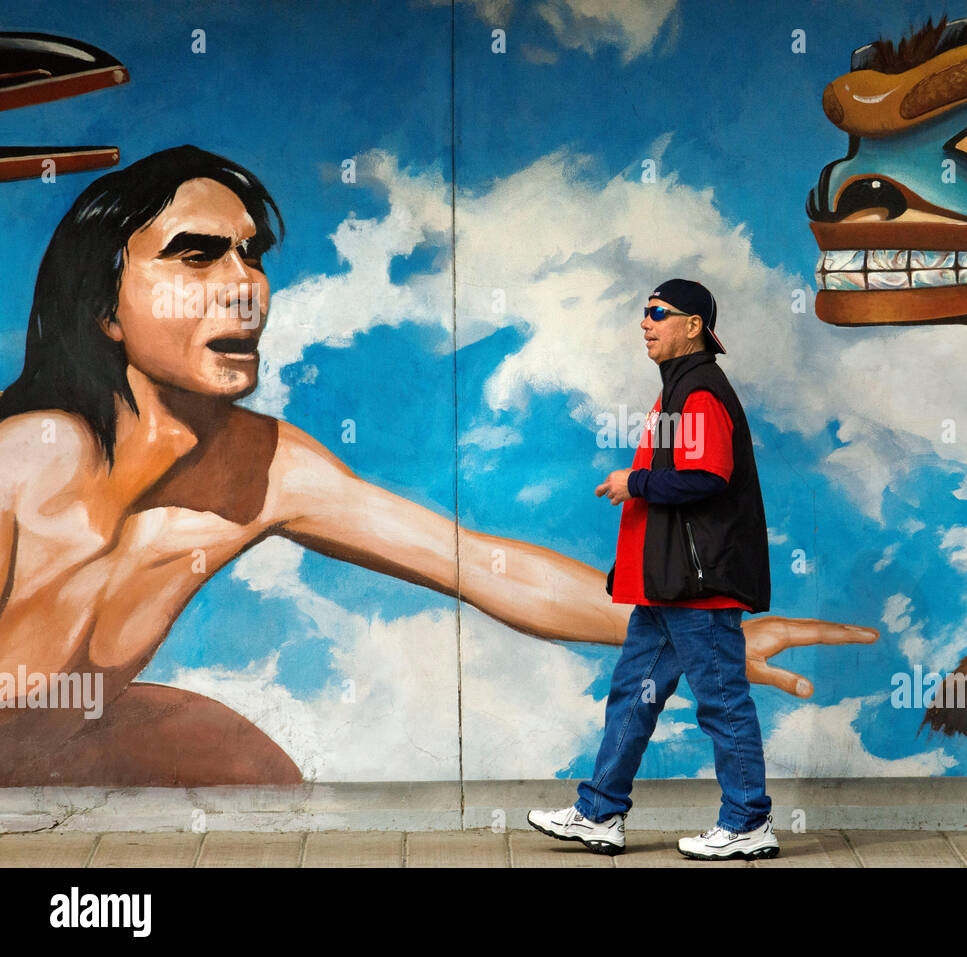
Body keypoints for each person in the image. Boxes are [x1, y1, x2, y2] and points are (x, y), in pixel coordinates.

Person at [0, 147, 877, 786]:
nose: (242, 284)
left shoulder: (267, 467)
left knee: (246, 768)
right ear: (103, 307)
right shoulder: (30, 459)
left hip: (71, 737)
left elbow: (480, 564)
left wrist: (702, 626)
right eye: (196, 254)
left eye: (251, 255)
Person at [530, 279, 801, 861]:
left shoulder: (699, 390)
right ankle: (599, 812)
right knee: (633, 695)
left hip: (698, 590)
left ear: (695, 325)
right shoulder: (679, 390)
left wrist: (635, 483)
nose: (646, 324)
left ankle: (748, 822)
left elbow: (707, 478)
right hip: (668, 588)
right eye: (644, 313)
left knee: (722, 703)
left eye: (659, 313)